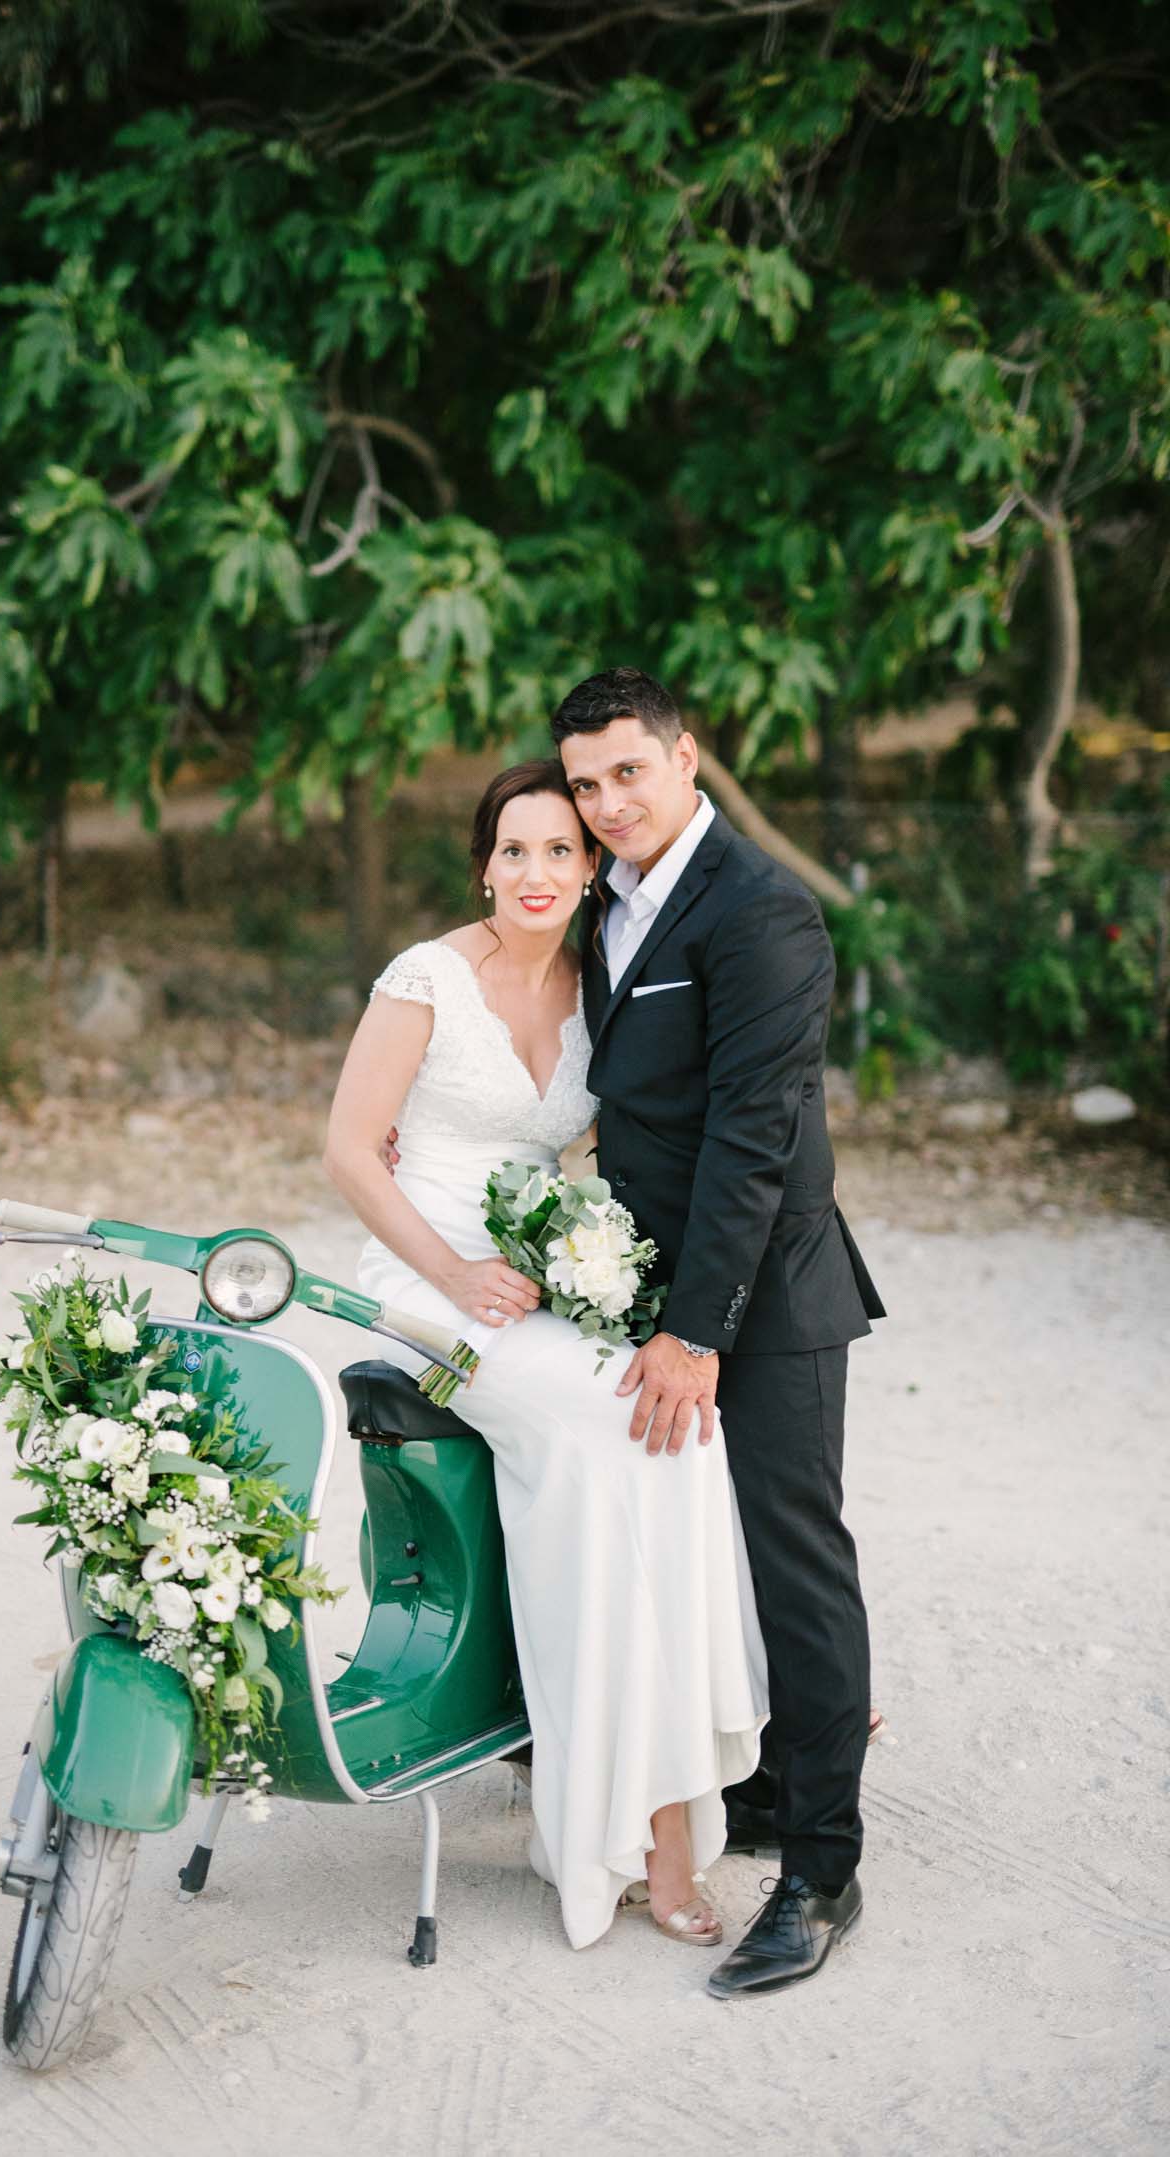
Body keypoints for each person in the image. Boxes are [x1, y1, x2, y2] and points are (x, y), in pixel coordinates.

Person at [324, 760, 769, 1953]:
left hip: (533, 1282)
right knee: (613, 1428)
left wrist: (595, 1268)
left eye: (562, 851)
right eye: (514, 850)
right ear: (484, 867)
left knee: (680, 1433)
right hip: (422, 1285)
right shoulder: (425, 977)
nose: (537, 872)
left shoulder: (599, 984)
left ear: (593, 870)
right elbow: (351, 1152)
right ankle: (622, 1831)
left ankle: (663, 1816)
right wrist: (453, 1273)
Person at [552, 666, 884, 1998]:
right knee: (696, 1547)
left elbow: (756, 1133)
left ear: (687, 758)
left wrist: (698, 1334)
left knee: (793, 1556)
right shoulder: (606, 900)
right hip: (651, 1282)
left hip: (769, 1291)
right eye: (586, 782)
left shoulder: (763, 910)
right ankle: (760, 1781)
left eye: (628, 771)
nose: (607, 802)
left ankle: (823, 1866)